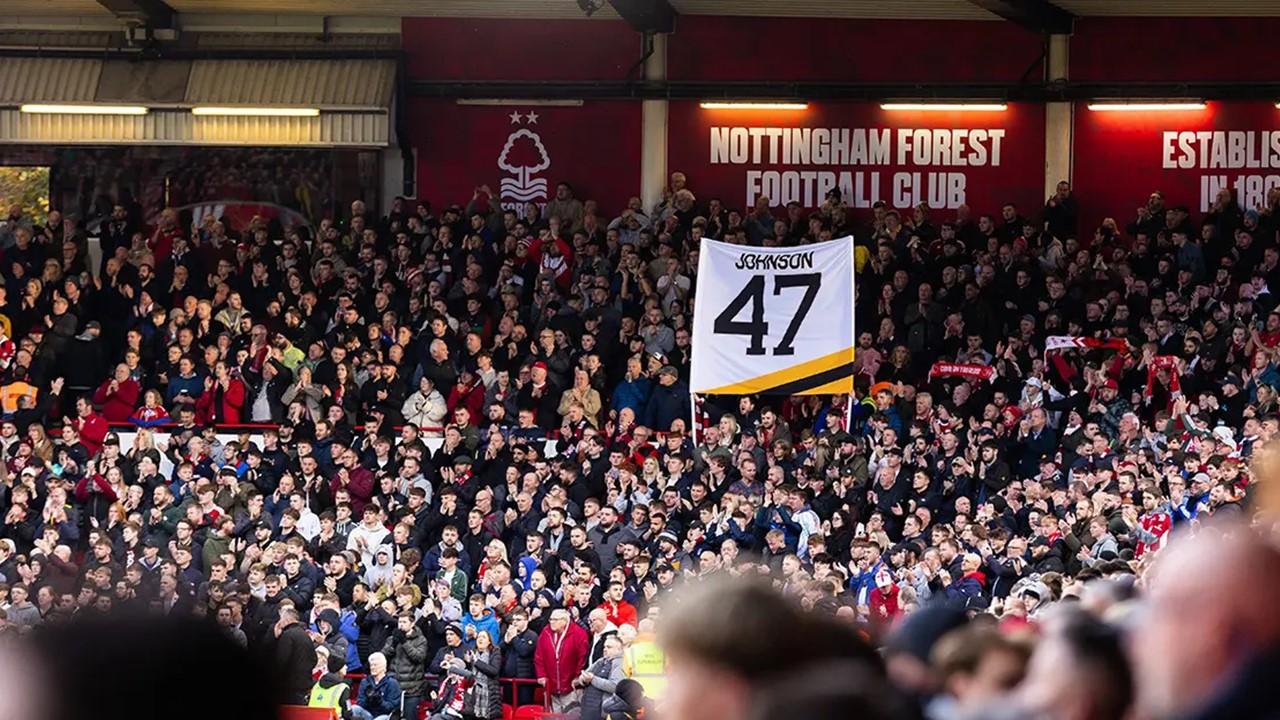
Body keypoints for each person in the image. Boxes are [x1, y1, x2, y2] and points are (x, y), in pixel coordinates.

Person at [534, 608, 590, 714]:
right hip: (552, 686)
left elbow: (582, 658)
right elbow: (538, 657)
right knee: (555, 716)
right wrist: (541, 675)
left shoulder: (578, 633)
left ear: (564, 621)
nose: (551, 622)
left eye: (555, 620)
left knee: (571, 715)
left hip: (572, 686)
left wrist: (577, 677)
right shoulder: (545, 632)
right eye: (550, 619)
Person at [383, 613, 429, 720]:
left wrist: (404, 642)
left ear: (412, 624)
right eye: (399, 622)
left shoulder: (421, 640)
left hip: (412, 689)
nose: (401, 625)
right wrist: (394, 644)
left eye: (404, 622)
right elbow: (383, 656)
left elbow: (418, 657)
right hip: (394, 686)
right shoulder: (392, 638)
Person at [275, 606, 319, 705]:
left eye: (280, 619)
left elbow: (281, 661)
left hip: (290, 686)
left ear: (287, 619)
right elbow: (314, 659)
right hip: (305, 683)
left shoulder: (287, 635)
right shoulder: (304, 635)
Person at [578, 634, 627, 720]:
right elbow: (584, 676)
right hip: (588, 708)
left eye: (609, 647)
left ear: (619, 649)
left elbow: (615, 686)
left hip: (602, 712)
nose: (605, 649)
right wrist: (583, 679)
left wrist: (593, 679)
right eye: (604, 647)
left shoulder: (620, 663)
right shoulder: (601, 661)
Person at [352, 652, 402, 720]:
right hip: (368, 714)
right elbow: (360, 702)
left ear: (383, 666)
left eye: (375, 665)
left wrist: (380, 702)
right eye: (371, 665)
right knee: (354, 709)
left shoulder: (392, 683)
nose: (372, 667)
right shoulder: (365, 682)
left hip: (385, 715)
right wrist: (368, 700)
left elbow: (393, 707)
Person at [310, 653, 354, 719]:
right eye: (344, 665)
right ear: (339, 669)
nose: (346, 667)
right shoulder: (343, 688)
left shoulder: (316, 685)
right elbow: (348, 712)